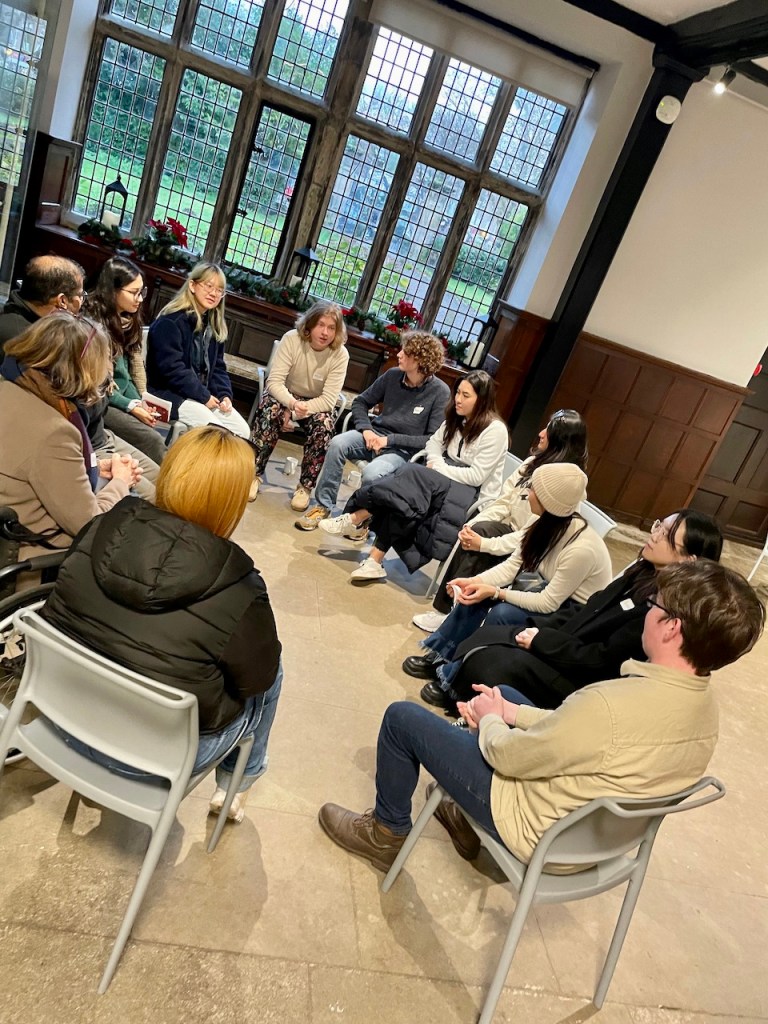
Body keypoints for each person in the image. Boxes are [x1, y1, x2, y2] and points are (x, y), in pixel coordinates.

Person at [318, 559, 765, 873]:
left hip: (536, 826)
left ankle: (385, 833)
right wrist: (508, 710)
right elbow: (578, 736)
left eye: (656, 606)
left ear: (671, 627)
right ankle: (456, 807)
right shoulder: (706, 711)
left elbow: (512, 759)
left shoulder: (610, 703)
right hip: (596, 838)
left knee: (402, 719)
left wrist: (491, 722)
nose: (648, 611)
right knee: (509, 695)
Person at [41, 426, 283, 823]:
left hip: (61, 723)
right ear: (232, 503)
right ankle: (237, 785)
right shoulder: (241, 585)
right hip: (154, 760)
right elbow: (256, 680)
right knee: (273, 670)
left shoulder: (101, 526)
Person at [438, 509, 723, 712]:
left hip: (583, 679)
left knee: (495, 657)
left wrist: (541, 641)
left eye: (667, 534)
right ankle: (447, 671)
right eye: (660, 525)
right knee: (497, 629)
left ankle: (456, 693)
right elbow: (589, 611)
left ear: (689, 559)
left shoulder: (662, 608)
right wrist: (542, 634)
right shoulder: (641, 573)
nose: (655, 533)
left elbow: (604, 660)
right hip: (569, 644)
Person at [402, 463, 612, 698]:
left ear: (548, 501)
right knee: (475, 595)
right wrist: (474, 582)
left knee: (503, 614)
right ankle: (443, 655)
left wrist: (494, 592)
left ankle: (455, 679)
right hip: (545, 591)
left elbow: (548, 603)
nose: (527, 491)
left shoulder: (582, 549)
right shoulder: (542, 523)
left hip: (572, 614)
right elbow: (512, 567)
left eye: (533, 488)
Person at [318, 370, 509, 583]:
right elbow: (434, 444)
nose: (457, 399)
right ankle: (374, 561)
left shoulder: (495, 430)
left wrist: (438, 467)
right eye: (458, 393)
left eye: (466, 395)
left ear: (482, 400)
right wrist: (437, 462)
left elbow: (476, 476)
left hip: (472, 495)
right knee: (408, 497)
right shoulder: (457, 418)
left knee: (411, 474)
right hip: (444, 481)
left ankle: (357, 516)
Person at [413, 408, 588, 633]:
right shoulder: (532, 463)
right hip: (511, 530)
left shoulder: (566, 487)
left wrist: (484, 544)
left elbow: (532, 534)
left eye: (549, 431)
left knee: (482, 542)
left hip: (534, 550)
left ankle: (454, 615)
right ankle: (444, 610)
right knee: (480, 528)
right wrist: (473, 526)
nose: (541, 433)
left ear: (561, 441)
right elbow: (503, 502)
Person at [0, 314, 137, 566]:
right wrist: (120, 482)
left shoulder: (8, 387)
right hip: (34, 560)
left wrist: (97, 473)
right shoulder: (55, 432)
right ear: (87, 370)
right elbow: (88, 525)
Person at [295, 331, 450, 530]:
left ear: (420, 359)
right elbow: (361, 402)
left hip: (401, 451)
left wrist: (389, 441)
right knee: (337, 443)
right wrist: (367, 430)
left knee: (371, 474)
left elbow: (431, 440)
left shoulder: (440, 392)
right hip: (373, 435)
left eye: (406, 352)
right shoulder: (393, 375)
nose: (399, 355)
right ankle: (323, 507)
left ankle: (358, 520)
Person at [250, 300, 349, 511]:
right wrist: (290, 404)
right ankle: (254, 474)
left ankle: (305, 487)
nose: (325, 332)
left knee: (324, 427)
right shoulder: (292, 339)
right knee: (270, 410)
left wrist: (295, 413)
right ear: (310, 324)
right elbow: (274, 381)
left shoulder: (340, 354)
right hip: (285, 394)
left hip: (314, 403)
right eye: (321, 325)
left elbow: (329, 400)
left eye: (331, 328)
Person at [147, 262, 250, 439]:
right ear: (193, 285)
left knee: (242, 432)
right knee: (216, 433)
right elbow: (173, 370)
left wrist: (225, 395)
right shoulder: (171, 322)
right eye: (208, 286)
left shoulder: (212, 325)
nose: (213, 293)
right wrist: (203, 396)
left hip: (200, 393)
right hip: (169, 394)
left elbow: (217, 367)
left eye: (219, 290)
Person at [84, 255, 168, 465]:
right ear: (112, 291)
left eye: (142, 292)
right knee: (153, 440)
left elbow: (127, 375)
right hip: (101, 402)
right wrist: (132, 406)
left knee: (152, 436)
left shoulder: (128, 319)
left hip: (121, 398)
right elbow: (102, 384)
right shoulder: (92, 323)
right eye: (134, 293)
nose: (140, 299)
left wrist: (139, 401)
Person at [0, 255, 85, 350]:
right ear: (62, 301)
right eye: (81, 294)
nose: (81, 301)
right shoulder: (34, 345)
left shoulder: (7, 314)